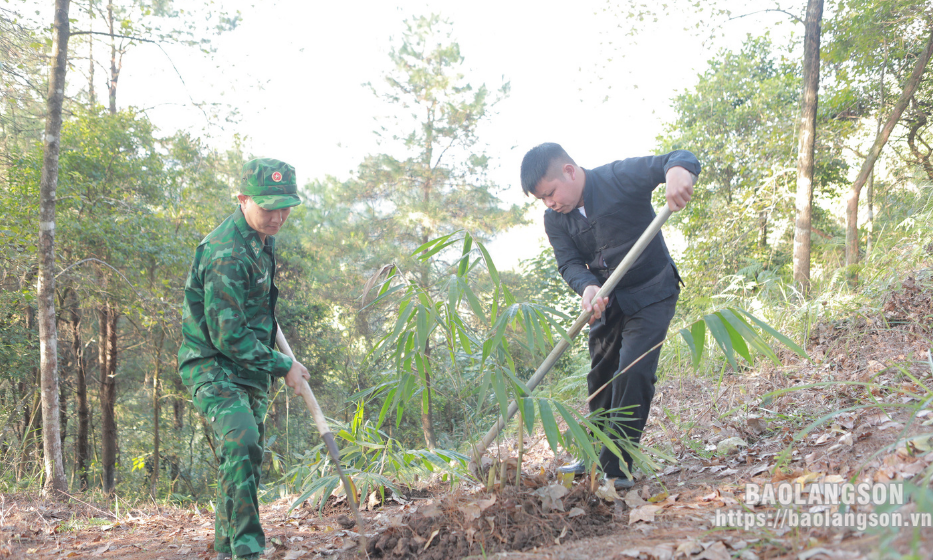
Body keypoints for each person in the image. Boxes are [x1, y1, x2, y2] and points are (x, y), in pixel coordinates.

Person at [520, 143, 699, 490]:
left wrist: (679, 172)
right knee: (600, 378)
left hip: (652, 293)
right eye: (542, 199)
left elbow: (674, 159)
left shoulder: (617, 178)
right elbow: (568, 262)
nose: (550, 203)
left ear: (569, 171)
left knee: (633, 370)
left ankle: (616, 470)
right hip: (606, 301)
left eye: (551, 193)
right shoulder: (554, 219)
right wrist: (586, 286)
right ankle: (591, 456)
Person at [178, 158, 311, 560]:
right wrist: (283, 365)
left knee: (243, 462)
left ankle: (226, 549)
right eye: (268, 207)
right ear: (242, 199)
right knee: (243, 442)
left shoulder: (262, 237)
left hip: (249, 370)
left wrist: (270, 358)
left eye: (285, 206)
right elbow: (228, 336)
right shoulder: (225, 253)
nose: (278, 217)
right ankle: (249, 550)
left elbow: (256, 308)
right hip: (213, 364)